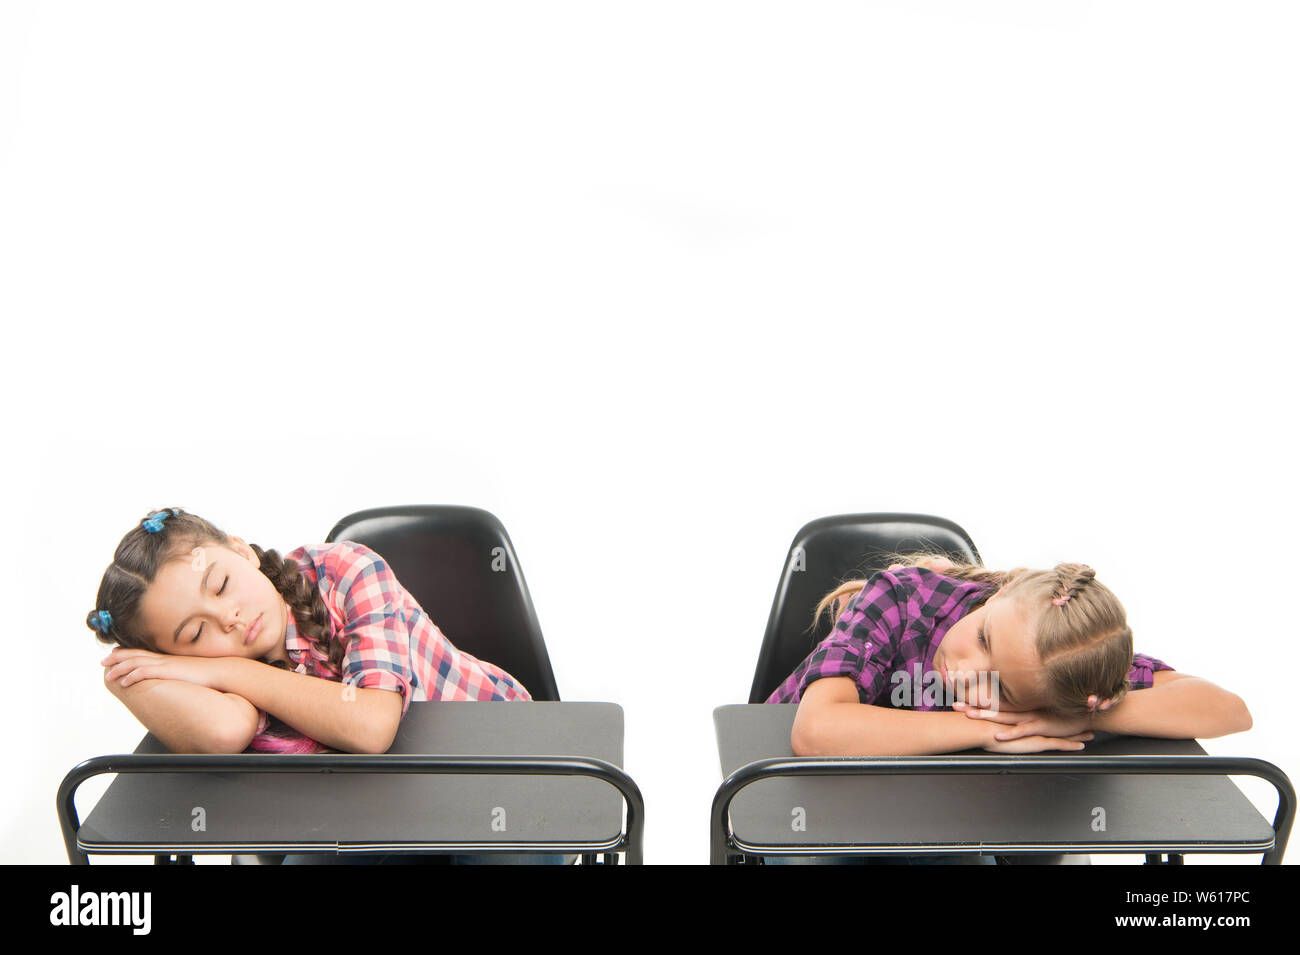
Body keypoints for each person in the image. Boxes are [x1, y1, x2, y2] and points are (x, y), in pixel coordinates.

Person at [88, 507, 555, 864]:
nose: (227, 618)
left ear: (242, 551)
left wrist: (233, 672)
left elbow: (371, 726)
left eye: (221, 584)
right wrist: (125, 676)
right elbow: (221, 733)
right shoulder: (210, 670)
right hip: (379, 810)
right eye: (194, 633)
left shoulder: (343, 570)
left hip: (501, 774)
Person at [763, 552, 1252, 865]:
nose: (968, 671)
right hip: (801, 812)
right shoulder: (901, 598)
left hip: (939, 825)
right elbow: (816, 732)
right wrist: (986, 729)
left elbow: (1228, 711)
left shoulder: (1062, 663)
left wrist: (1080, 715)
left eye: (1005, 692)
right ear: (1000, 592)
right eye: (983, 638)